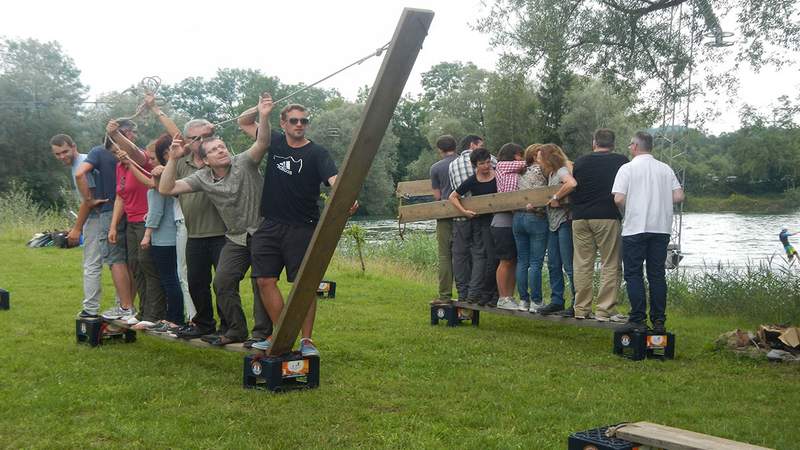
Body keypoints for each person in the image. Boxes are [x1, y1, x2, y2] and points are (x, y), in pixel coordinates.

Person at [160, 94, 274, 346]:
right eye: (213, 150)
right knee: (222, 281)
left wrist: (263, 116)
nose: (220, 150)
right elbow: (167, 189)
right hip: (236, 236)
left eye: (221, 147)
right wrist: (172, 159)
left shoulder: (244, 162)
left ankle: (261, 334)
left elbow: (263, 142)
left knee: (260, 283)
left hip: (263, 232)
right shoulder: (202, 177)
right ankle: (235, 329)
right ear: (206, 159)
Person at [249, 102, 357, 357]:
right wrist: (260, 110)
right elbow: (244, 122)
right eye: (294, 120)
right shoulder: (273, 141)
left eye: (304, 121)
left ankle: (306, 340)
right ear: (283, 124)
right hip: (270, 224)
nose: (299, 124)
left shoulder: (317, 153)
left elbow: (334, 180)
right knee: (264, 280)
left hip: (303, 227)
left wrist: (346, 195)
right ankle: (280, 333)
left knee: (303, 286)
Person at [613, 131, 684, 334]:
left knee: (634, 273)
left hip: (635, 227)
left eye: (630, 145)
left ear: (635, 146)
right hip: (661, 227)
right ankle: (659, 321)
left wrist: (636, 204)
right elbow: (679, 196)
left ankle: (637, 318)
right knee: (657, 274)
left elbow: (618, 199)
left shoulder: (627, 168)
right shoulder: (665, 168)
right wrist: (658, 201)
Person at [106, 119, 166, 328]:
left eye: (119, 150)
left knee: (148, 265)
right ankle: (143, 311)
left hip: (146, 221)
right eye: (114, 152)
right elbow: (120, 196)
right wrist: (113, 226)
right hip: (131, 222)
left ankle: (155, 313)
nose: (118, 154)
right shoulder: (119, 167)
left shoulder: (142, 159)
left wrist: (115, 134)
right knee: (136, 266)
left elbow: (132, 151)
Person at [72, 134, 136, 321]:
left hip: (110, 210)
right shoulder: (134, 153)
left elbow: (79, 174)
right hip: (132, 211)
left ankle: (124, 308)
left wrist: (89, 200)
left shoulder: (99, 152)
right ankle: (128, 306)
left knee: (115, 260)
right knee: (130, 261)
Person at [570, 129, 629, 322]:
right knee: (610, 263)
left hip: (579, 217)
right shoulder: (621, 161)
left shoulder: (580, 162)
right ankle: (605, 309)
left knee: (582, 263)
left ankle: (581, 308)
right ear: (613, 144)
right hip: (607, 216)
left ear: (594, 142)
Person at [50, 134, 110, 317]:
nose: (62, 156)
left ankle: (90, 310)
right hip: (99, 216)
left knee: (92, 265)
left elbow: (89, 201)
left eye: (65, 151)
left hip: (99, 217)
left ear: (74, 146)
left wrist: (77, 229)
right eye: (57, 154)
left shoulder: (83, 164)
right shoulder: (80, 163)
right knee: (111, 263)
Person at [140, 134, 185, 331]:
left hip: (164, 238)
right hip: (170, 235)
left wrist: (147, 234)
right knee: (172, 277)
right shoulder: (164, 178)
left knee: (170, 278)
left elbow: (157, 211)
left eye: (151, 158)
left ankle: (175, 317)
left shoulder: (160, 178)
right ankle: (174, 315)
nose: (148, 161)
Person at [448, 135, 495, 303]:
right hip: (479, 221)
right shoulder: (473, 180)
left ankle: (477, 294)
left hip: (494, 220)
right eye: (482, 163)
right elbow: (453, 196)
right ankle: (476, 294)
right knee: (482, 256)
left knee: (471, 257)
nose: (486, 165)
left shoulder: (453, 164)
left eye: (488, 162)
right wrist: (465, 211)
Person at [536, 144, 578, 316]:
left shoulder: (561, 170)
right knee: (553, 264)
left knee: (569, 265)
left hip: (564, 223)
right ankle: (557, 301)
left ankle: (577, 303)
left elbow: (572, 184)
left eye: (540, 157)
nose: (538, 161)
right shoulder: (552, 173)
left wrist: (556, 197)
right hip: (553, 224)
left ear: (547, 158)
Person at [513, 144, 550, 313]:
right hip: (536, 217)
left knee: (522, 261)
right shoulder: (542, 171)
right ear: (536, 156)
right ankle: (536, 301)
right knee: (535, 262)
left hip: (518, 218)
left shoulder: (522, 172)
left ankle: (523, 300)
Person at [493, 143, 526, 310]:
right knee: (505, 260)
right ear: (514, 155)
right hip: (503, 220)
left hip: (515, 218)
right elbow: (525, 163)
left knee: (513, 260)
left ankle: (509, 296)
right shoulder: (502, 165)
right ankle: (502, 297)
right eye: (521, 154)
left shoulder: (513, 169)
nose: (522, 158)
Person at [429, 135, 458, 305]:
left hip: (445, 214)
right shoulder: (465, 162)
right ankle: (466, 294)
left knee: (445, 255)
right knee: (462, 255)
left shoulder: (436, 168)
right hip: (466, 212)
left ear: (439, 149)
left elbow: (437, 196)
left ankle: (445, 295)